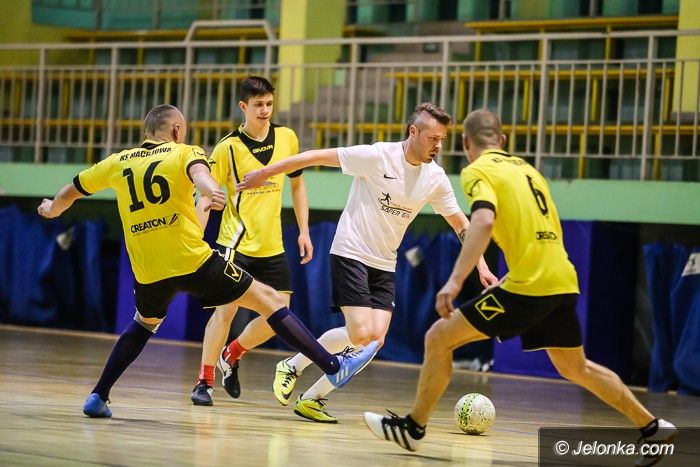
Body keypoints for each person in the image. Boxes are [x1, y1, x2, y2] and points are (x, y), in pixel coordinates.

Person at [363, 109, 677, 466]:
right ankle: (653, 428)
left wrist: (455, 281)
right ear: (503, 140)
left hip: (529, 284)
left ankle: (413, 428)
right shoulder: (529, 171)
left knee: (438, 338)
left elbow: (482, 220)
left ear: (465, 143)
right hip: (562, 278)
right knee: (576, 367)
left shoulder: (478, 170)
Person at [36, 104, 378, 418]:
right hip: (191, 260)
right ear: (176, 130)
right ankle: (334, 366)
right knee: (270, 300)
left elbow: (71, 190)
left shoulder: (117, 161)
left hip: (148, 270)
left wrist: (52, 209)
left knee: (143, 324)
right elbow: (200, 174)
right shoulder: (185, 152)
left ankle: (98, 395)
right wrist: (210, 188)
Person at [235, 103, 498, 423]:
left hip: (385, 263)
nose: (439, 146)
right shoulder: (377, 156)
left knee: (374, 340)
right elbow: (313, 156)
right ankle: (292, 366)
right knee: (360, 333)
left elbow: (461, 224)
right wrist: (264, 173)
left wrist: (482, 266)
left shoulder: (435, 178)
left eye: (442, 139)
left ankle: (312, 397)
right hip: (352, 251)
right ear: (413, 132)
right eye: (433, 138)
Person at [190, 76, 314, 406]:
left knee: (280, 316)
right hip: (235, 243)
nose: (265, 110)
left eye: (269, 104)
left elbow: (297, 185)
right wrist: (196, 237)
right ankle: (204, 382)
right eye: (258, 105)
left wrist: (304, 230)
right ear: (243, 107)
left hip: (272, 245)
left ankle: (232, 354)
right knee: (225, 313)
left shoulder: (287, 137)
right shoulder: (227, 148)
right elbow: (207, 196)